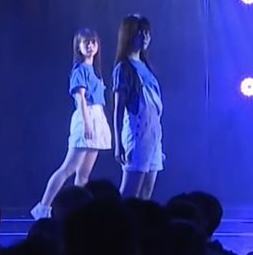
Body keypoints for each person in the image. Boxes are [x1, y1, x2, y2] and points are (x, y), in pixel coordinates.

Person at [31, 29, 113, 219]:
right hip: (87, 117)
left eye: (93, 42)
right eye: (86, 42)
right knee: (68, 168)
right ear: (79, 46)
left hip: (98, 116)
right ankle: (43, 206)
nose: (90, 46)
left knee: (84, 174)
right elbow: (81, 99)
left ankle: (78, 210)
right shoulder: (79, 70)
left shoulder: (95, 71)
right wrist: (87, 124)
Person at [112, 14, 164, 200]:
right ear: (129, 36)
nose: (145, 37)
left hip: (154, 133)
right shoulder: (124, 68)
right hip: (137, 132)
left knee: (146, 193)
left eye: (147, 33)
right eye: (140, 33)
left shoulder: (145, 66)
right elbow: (118, 109)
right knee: (130, 193)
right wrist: (118, 143)